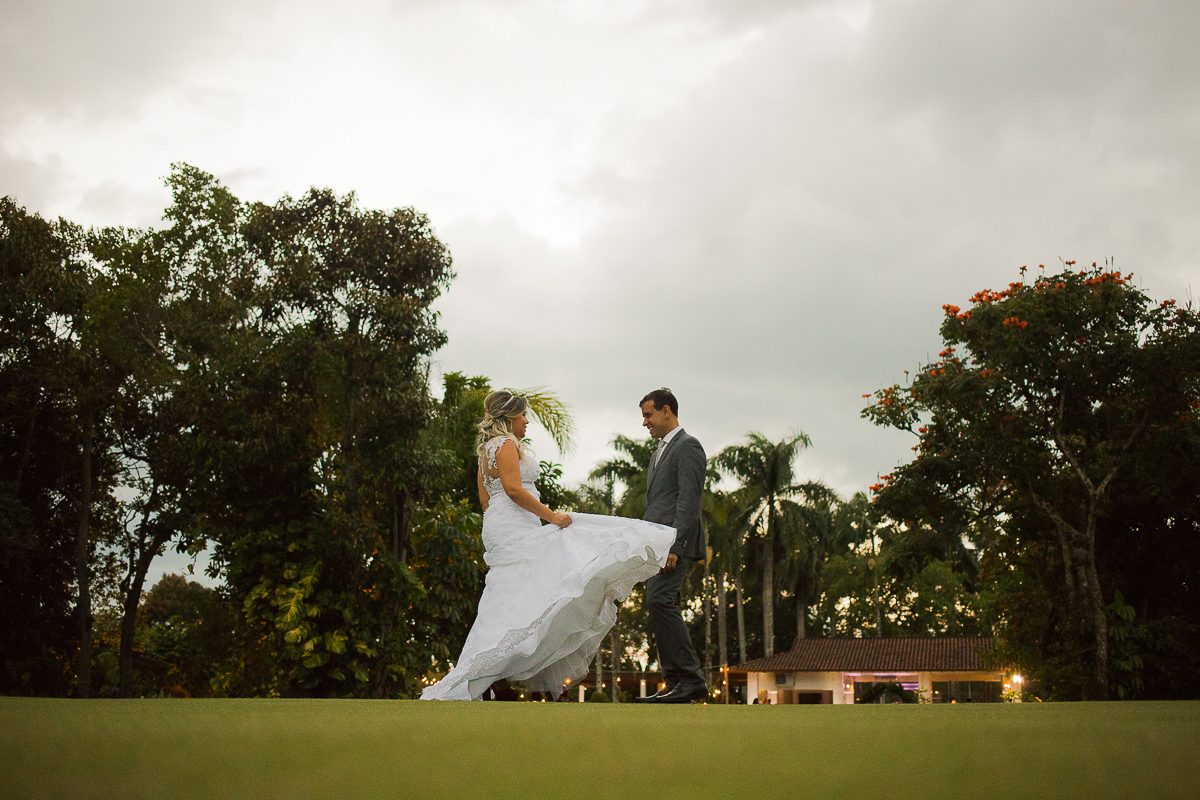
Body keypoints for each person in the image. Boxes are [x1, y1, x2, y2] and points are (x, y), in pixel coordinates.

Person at [421, 390, 676, 701]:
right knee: (537, 594)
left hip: (500, 525)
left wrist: (505, 525)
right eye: (523, 416)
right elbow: (514, 490)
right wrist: (552, 517)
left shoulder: (485, 451)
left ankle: (498, 680)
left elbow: (486, 500)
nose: (527, 421)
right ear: (510, 418)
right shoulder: (504, 446)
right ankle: (496, 676)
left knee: (515, 600)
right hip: (515, 525)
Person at [635, 388, 709, 704]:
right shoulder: (657, 454)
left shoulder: (688, 446)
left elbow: (688, 500)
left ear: (667, 411)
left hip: (674, 544)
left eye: (648, 415)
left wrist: (674, 546)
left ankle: (690, 680)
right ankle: (676, 682)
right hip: (657, 544)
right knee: (659, 602)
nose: (645, 423)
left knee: (660, 600)